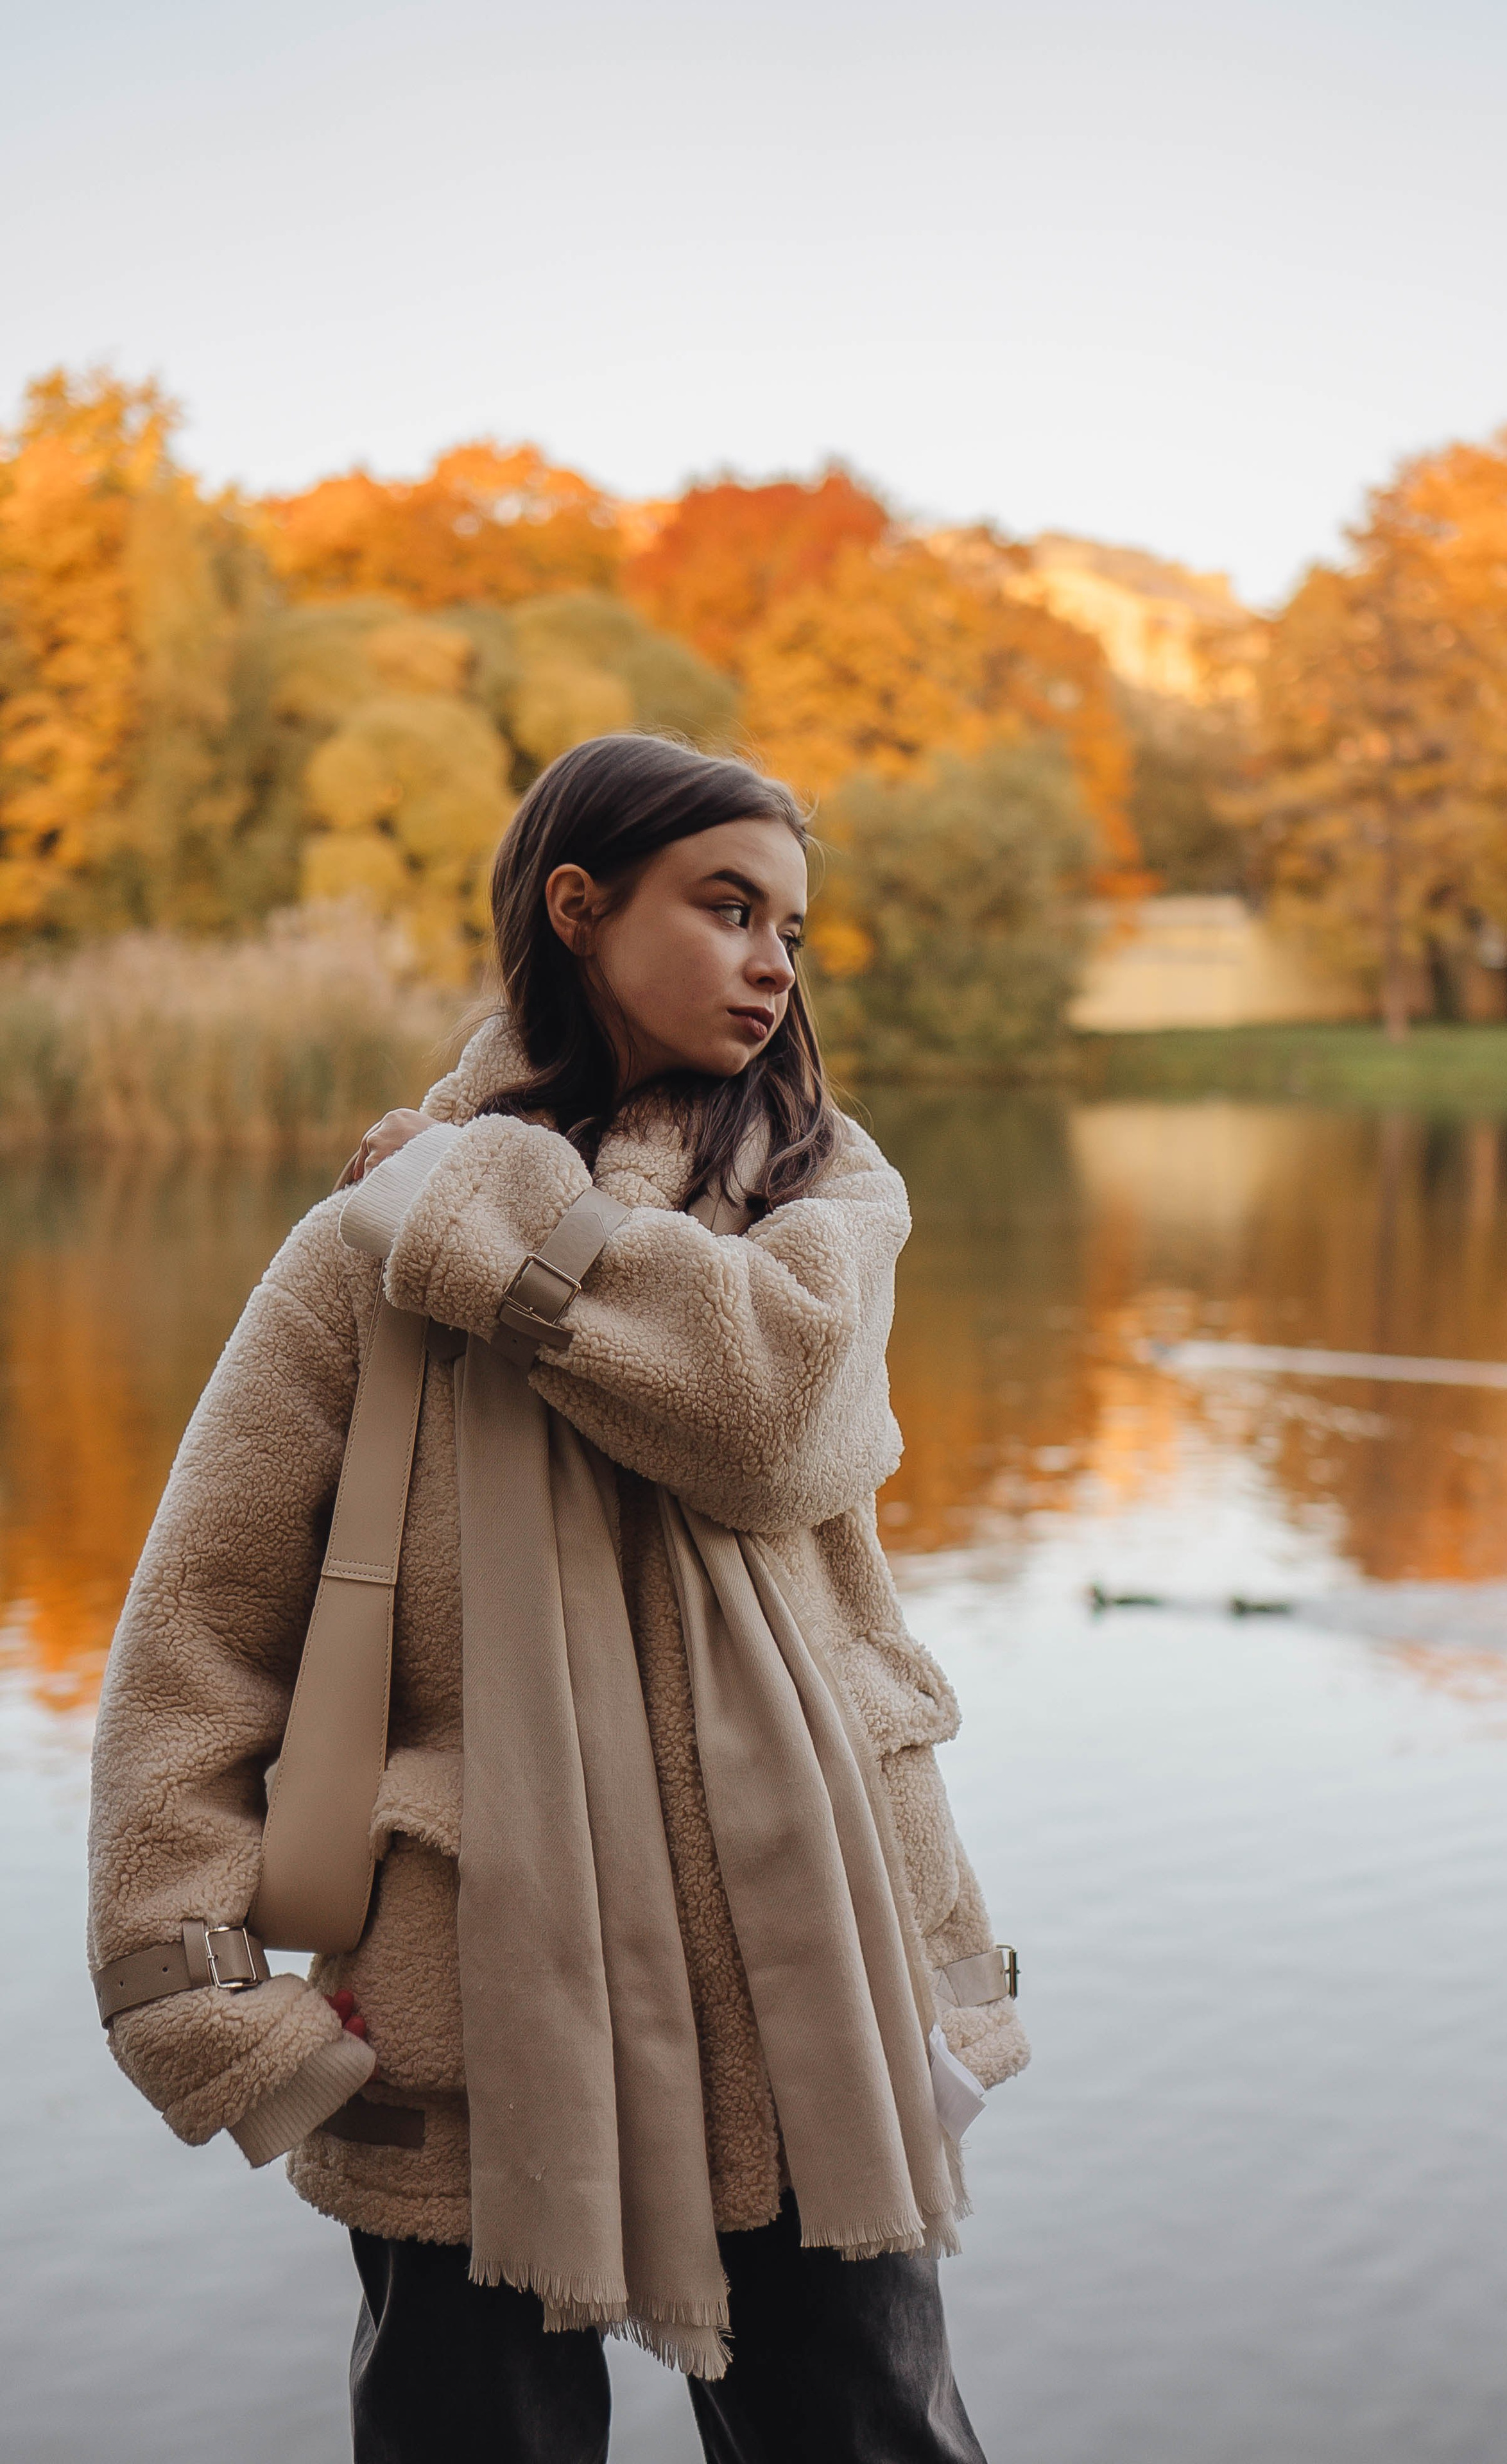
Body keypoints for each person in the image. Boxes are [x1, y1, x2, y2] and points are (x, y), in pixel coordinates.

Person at [87, 733, 1029, 2464]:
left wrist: (478, 1206)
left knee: (872, 2431)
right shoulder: (355, 1261)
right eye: (728, 906)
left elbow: (780, 1420)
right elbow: (201, 1634)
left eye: (793, 931)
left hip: (801, 1990)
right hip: (467, 2022)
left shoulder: (823, 1202)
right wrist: (214, 2000)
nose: (772, 960)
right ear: (580, 912)